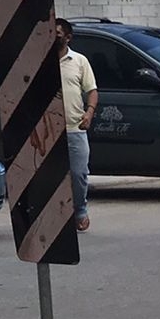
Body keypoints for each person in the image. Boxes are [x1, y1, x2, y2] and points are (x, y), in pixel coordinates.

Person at [56, 18, 99, 233]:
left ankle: (80, 210)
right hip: (47, 132)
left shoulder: (79, 61)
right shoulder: (38, 63)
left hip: (74, 128)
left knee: (78, 173)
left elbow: (91, 90)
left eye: (58, 33)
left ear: (68, 37)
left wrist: (89, 113)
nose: (54, 37)